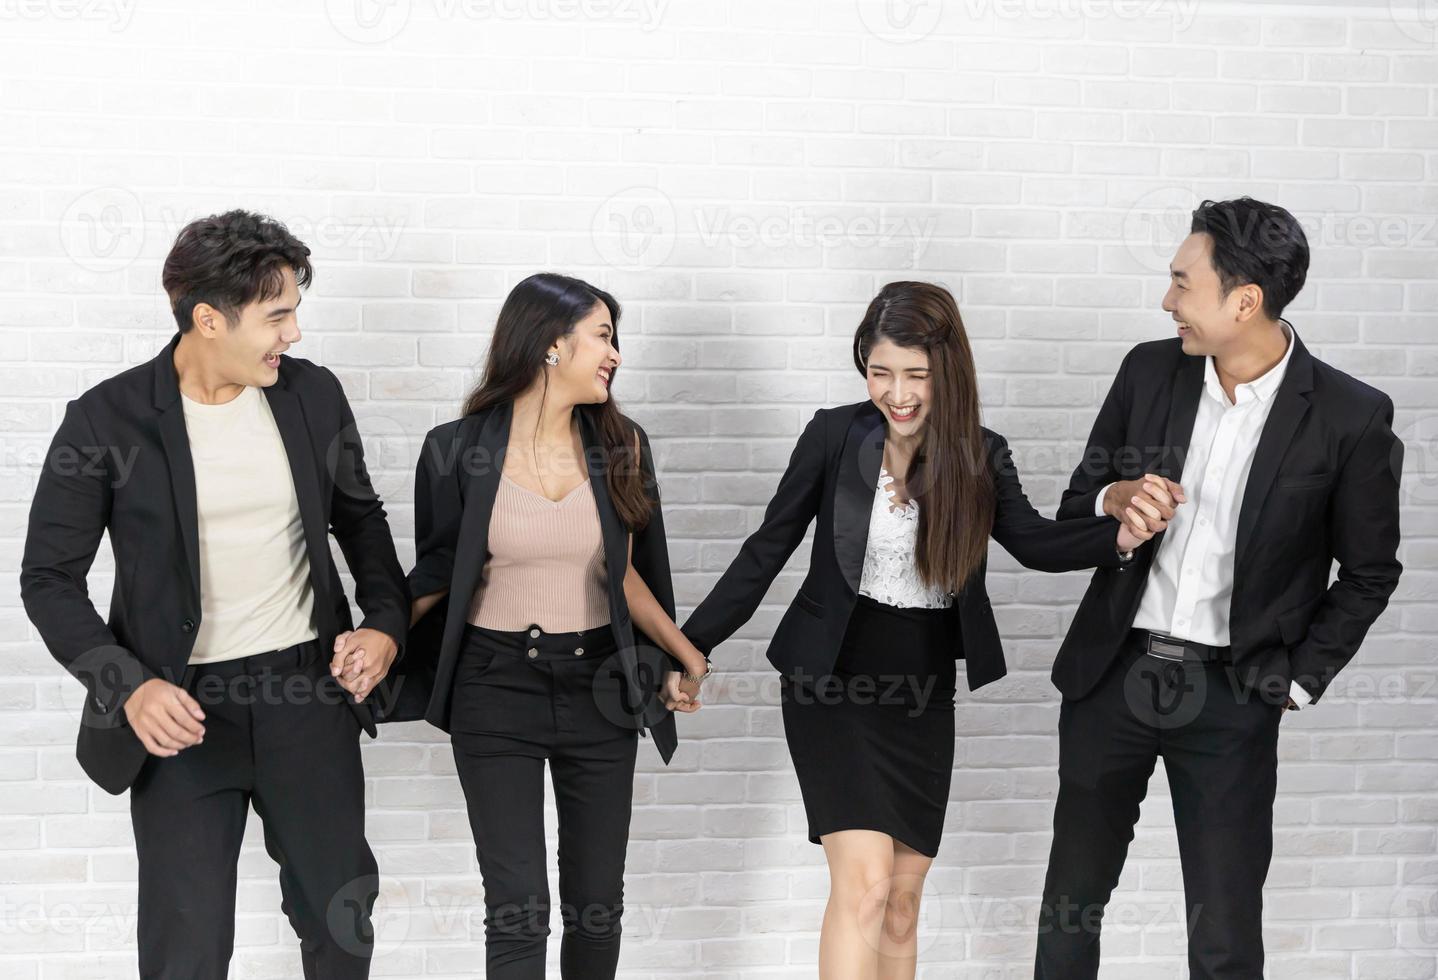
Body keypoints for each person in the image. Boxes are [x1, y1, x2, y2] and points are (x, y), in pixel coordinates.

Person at [679, 280, 1156, 978]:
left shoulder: (982, 454)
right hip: (833, 682)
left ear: (947, 372)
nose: (896, 394)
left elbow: (1037, 544)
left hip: (922, 694)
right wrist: (690, 645)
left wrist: (1119, 533)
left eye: (916, 376)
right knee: (865, 885)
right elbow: (765, 550)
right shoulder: (833, 435)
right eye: (880, 372)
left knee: (902, 900)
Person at [19, 210, 410, 979]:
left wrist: (386, 625)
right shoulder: (106, 419)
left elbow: (361, 523)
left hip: (309, 699)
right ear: (207, 319)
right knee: (186, 946)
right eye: (277, 315)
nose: (292, 334)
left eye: (295, 310)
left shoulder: (313, 397)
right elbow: (48, 579)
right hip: (182, 714)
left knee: (340, 926)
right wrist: (126, 686)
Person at [1036, 197, 1404, 979]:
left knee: (1226, 928)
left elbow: (1370, 571)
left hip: (1233, 695)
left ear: (1245, 301)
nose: (1166, 301)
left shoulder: (1351, 417)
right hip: (1113, 676)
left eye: (1181, 282)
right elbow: (1078, 504)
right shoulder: (1148, 370)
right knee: (1071, 903)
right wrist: (1115, 499)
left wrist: (1299, 680)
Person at [393, 272, 708, 979]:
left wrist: (686, 653)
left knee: (597, 904)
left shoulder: (622, 443)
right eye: (602, 335)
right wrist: (373, 637)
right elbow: (437, 570)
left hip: (600, 687)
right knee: (518, 908)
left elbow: (624, 571)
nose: (615, 354)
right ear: (548, 344)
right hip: (493, 687)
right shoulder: (457, 447)